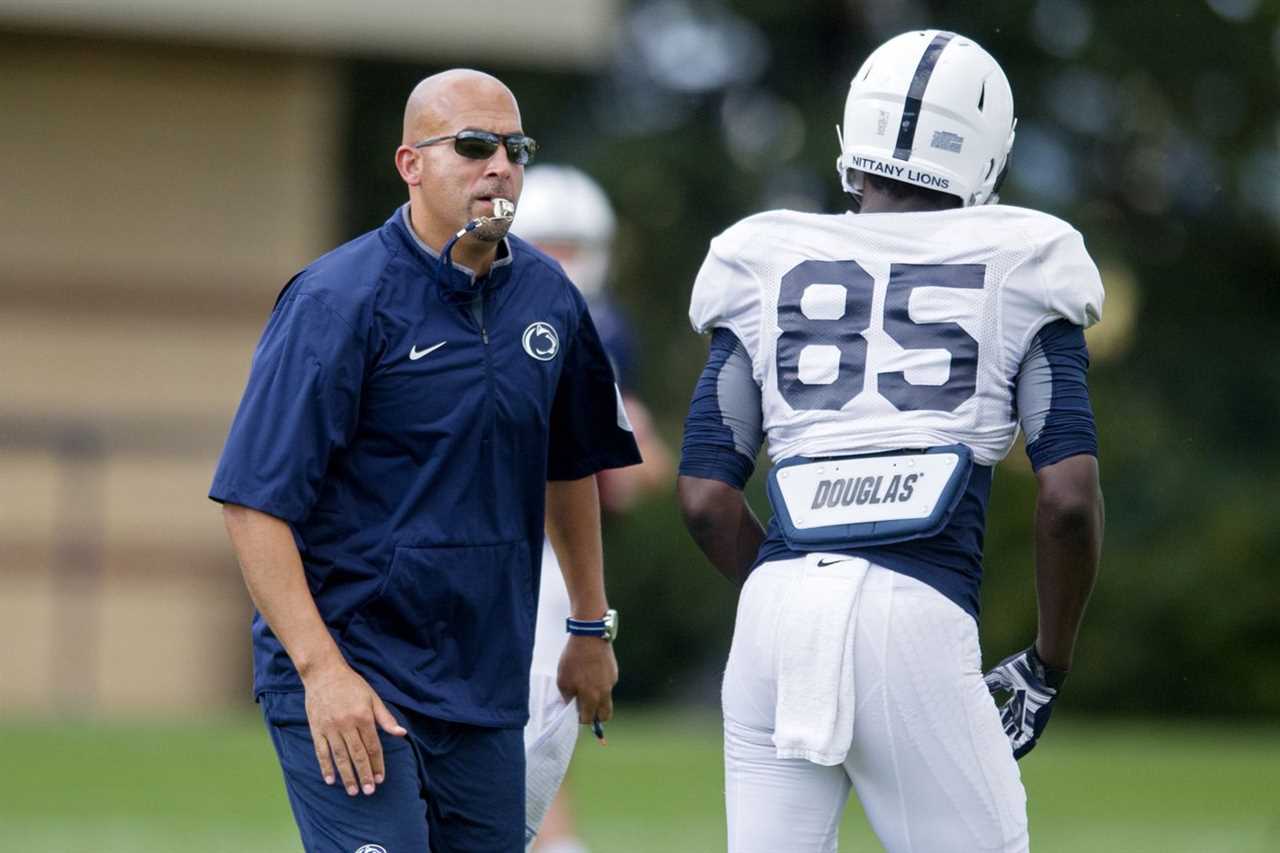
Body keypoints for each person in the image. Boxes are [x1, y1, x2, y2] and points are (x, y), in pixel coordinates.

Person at [677, 30, 1105, 853]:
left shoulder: (764, 256)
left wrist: (792, 582)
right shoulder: (1024, 256)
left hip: (774, 612)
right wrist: (1049, 663)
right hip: (914, 606)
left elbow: (704, 498)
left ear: (854, 138)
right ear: (988, 154)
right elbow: (1067, 500)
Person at [209, 69, 641, 853]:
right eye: (474, 146)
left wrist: (588, 622)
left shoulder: (551, 299)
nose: (500, 166)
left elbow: (570, 465)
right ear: (411, 163)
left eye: (516, 148)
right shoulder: (335, 300)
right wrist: (322, 672)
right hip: (354, 671)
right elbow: (253, 503)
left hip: (484, 681)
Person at [512, 165, 674, 853]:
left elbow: (634, 460)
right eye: (550, 245)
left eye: (573, 247)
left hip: (554, 551)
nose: (563, 263)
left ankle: (548, 837)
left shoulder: (604, 328)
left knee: (542, 707)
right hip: (497, 539)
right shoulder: (497, 311)